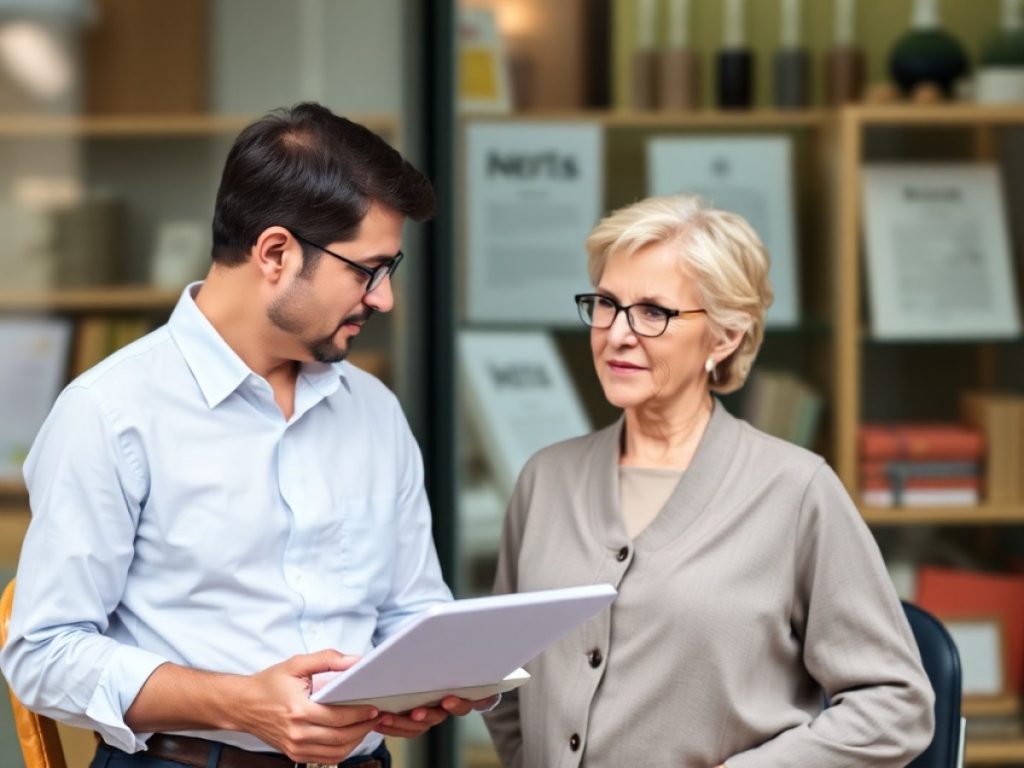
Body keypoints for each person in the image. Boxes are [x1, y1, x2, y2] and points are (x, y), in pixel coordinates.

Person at [1, 103, 489, 768]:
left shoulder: (374, 412)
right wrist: (240, 703)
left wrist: (433, 677)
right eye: (366, 270)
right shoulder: (110, 413)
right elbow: (43, 653)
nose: (383, 300)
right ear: (277, 254)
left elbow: (411, 609)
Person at [483, 194, 935, 767]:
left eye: (653, 312)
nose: (617, 334)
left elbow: (896, 704)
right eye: (606, 304)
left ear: (722, 337)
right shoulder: (545, 479)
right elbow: (502, 683)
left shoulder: (795, 491)